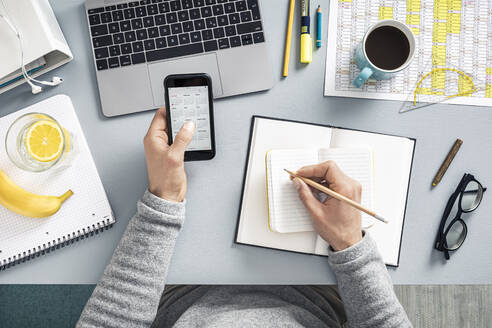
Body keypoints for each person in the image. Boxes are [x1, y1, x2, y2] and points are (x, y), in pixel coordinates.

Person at [76, 108, 412, 328]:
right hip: (323, 295)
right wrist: (350, 245)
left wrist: (164, 202)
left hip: (178, 296)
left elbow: (109, 321)